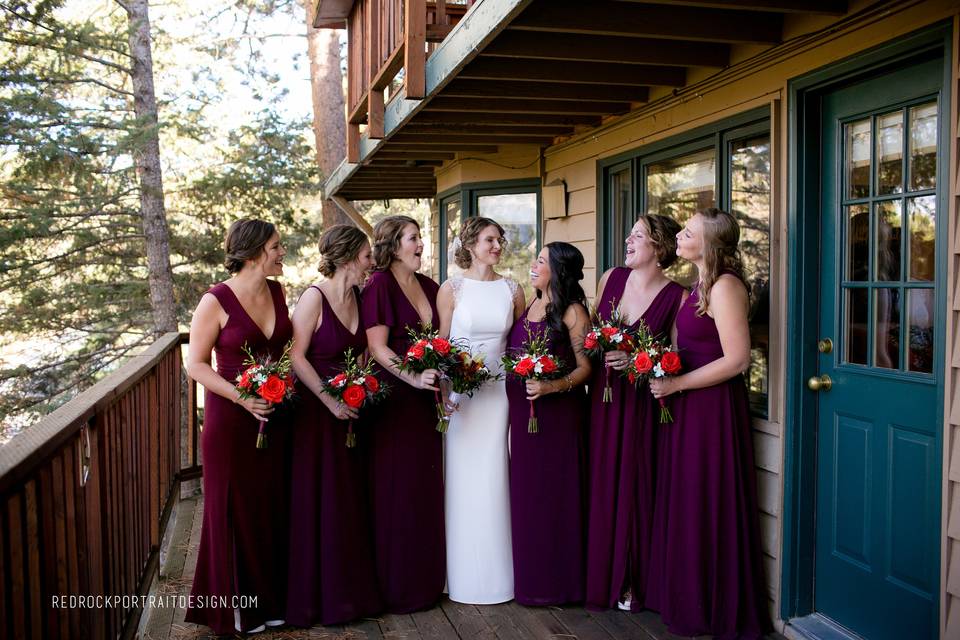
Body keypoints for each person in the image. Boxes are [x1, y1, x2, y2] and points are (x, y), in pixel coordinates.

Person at [647, 208, 771, 639]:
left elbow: (737, 360)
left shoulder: (725, 286)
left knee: (707, 496)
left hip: (711, 408)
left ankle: (715, 604)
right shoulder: (699, 285)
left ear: (710, 242)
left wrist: (678, 383)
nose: (679, 235)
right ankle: (689, 598)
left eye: (688, 231)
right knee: (688, 498)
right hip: (687, 404)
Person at [185, 219, 292, 635]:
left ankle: (270, 601)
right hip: (230, 420)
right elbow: (195, 363)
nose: (282, 252)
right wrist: (241, 396)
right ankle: (235, 609)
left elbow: (287, 349)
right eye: (276, 247)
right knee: (235, 510)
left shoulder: (278, 291)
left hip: (274, 414)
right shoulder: (216, 300)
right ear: (253, 253)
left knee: (270, 508)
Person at [584, 215, 686, 612]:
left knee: (636, 485)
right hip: (602, 402)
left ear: (659, 248)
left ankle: (632, 580)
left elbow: (676, 357)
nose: (628, 239)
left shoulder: (676, 296)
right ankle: (600, 575)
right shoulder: (610, 278)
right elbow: (590, 334)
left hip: (642, 406)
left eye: (638, 235)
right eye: (629, 233)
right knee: (603, 479)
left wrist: (641, 361)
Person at [286, 225, 382, 626]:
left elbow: (361, 353)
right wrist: (329, 399)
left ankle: (349, 595)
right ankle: (315, 600)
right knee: (319, 498)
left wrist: (356, 385)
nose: (370, 263)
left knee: (347, 498)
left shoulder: (361, 296)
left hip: (350, 409)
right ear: (346, 258)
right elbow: (295, 357)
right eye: (365, 256)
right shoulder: (313, 297)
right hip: (314, 413)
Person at [437, 217, 525, 605]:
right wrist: (445, 391)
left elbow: (521, 344)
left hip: (499, 395)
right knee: (463, 481)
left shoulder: (513, 288)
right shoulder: (451, 288)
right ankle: (462, 577)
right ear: (471, 244)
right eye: (490, 239)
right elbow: (442, 345)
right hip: (462, 397)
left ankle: (501, 578)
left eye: (500, 240)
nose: (497, 246)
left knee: (496, 478)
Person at [361, 215, 445, 613]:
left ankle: (425, 580)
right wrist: (412, 378)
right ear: (393, 245)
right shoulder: (379, 285)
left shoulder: (429, 286)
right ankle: (394, 587)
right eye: (414, 238)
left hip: (426, 397)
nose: (421, 244)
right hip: (394, 397)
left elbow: (440, 341)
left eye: (420, 238)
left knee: (423, 487)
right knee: (396, 488)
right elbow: (378, 347)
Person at [506, 241, 592, 606]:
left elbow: (587, 369)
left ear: (558, 269)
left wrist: (552, 386)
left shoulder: (574, 312)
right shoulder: (529, 306)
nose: (533, 264)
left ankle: (562, 585)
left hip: (559, 421)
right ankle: (531, 582)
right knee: (528, 500)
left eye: (541, 260)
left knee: (557, 498)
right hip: (523, 421)